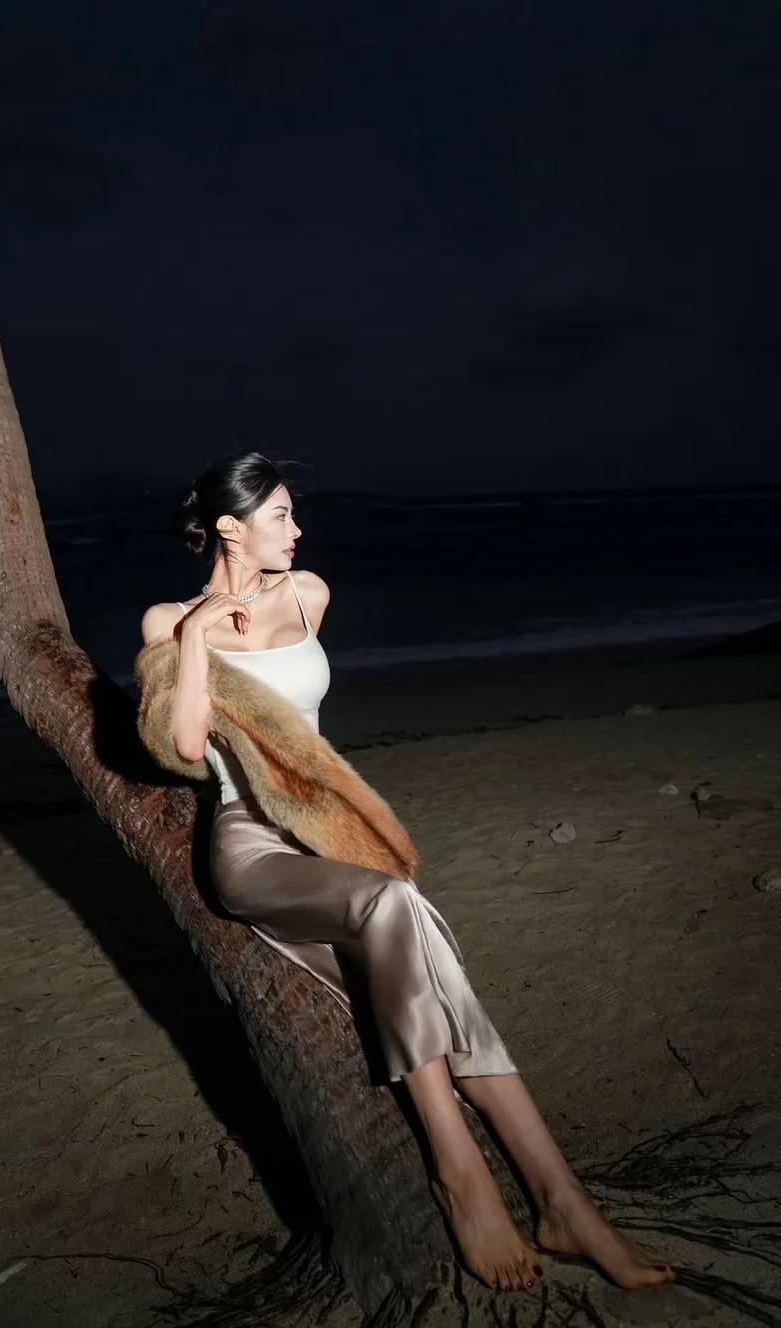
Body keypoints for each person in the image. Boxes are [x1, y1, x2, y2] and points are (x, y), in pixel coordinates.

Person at [140, 451, 674, 1295]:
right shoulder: (169, 620)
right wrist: (200, 636)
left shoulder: (308, 594)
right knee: (398, 905)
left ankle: (558, 1200)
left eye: (294, 513)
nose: (298, 529)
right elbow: (183, 745)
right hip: (250, 844)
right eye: (281, 515)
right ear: (231, 528)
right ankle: (479, 1178)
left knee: (410, 930)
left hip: (327, 830)